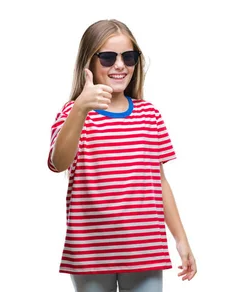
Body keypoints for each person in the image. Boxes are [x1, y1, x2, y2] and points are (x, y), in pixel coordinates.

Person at [47, 19, 197, 291]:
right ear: (89, 63)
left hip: (145, 250)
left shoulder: (149, 115)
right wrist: (80, 108)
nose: (119, 65)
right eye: (107, 57)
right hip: (91, 252)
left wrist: (181, 239)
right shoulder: (73, 114)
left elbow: (160, 182)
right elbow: (59, 162)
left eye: (128, 57)